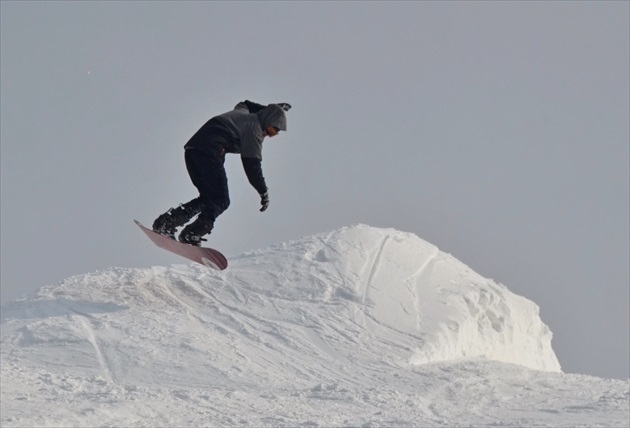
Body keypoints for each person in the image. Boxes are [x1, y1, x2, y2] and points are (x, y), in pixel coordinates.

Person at [152, 100, 290, 246]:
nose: (269, 135)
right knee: (221, 200)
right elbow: (252, 166)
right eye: (271, 130)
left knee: (209, 199)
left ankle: (166, 223)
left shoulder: (242, 112)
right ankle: (192, 233)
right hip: (208, 153)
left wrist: (272, 110)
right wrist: (263, 192)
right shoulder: (254, 130)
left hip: (192, 151)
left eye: (274, 134)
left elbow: (246, 103)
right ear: (267, 120)